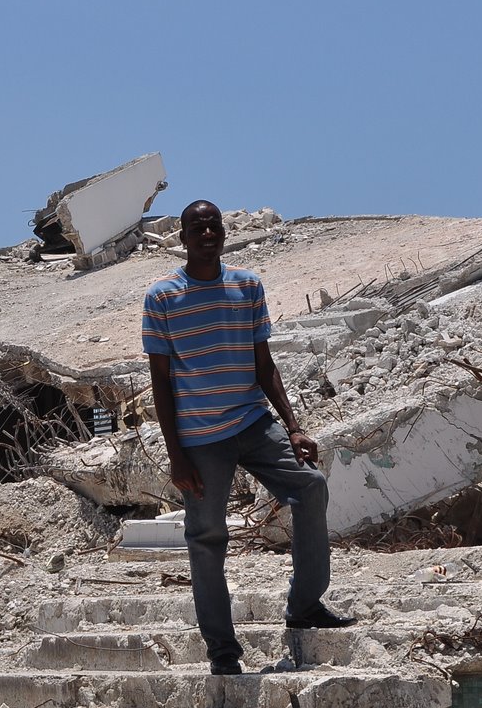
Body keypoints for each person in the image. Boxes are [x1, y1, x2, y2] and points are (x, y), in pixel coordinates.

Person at [142, 199, 353, 676]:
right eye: (197, 228)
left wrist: (294, 428)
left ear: (224, 232)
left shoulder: (247, 285)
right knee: (207, 538)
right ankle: (222, 650)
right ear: (183, 237)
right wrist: (176, 456)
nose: (207, 233)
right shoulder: (162, 297)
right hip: (199, 438)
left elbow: (264, 364)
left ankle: (305, 605)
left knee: (311, 485)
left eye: (214, 225)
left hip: (254, 422)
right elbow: (160, 382)